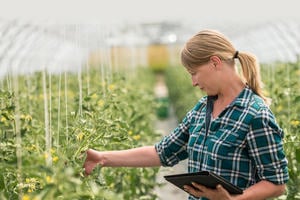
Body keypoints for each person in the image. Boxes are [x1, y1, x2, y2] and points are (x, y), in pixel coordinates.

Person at [83, 29, 289, 200]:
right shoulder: (202, 109)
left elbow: (276, 183)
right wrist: (102, 158)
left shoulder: (255, 115)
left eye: (194, 73)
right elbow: (162, 152)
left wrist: (235, 199)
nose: (193, 82)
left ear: (215, 62)